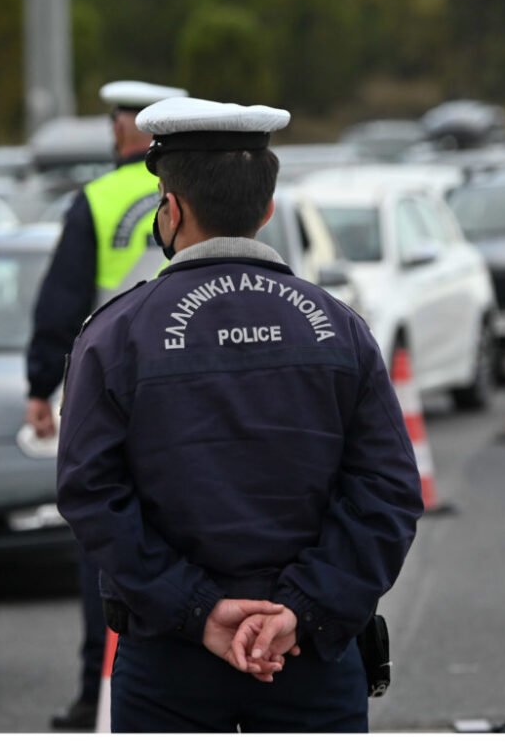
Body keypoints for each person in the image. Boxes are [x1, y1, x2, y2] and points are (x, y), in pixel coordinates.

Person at [55, 96, 425, 732]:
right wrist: (300, 611)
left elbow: (90, 493)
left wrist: (198, 610)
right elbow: (388, 491)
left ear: (171, 209)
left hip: (168, 664)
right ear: (268, 208)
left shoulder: (116, 336)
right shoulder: (341, 330)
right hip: (310, 658)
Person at [25, 79, 188, 731]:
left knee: (108, 542)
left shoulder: (95, 200)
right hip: (196, 389)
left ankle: (102, 695)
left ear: (126, 128)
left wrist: (41, 385)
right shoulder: (207, 188)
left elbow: (62, 304)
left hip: (115, 391)